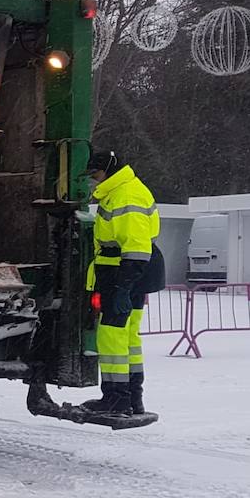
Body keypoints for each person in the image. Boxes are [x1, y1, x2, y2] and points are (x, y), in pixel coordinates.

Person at [83, 150, 164, 416]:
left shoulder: (125, 195)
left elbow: (136, 248)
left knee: (112, 338)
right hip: (130, 276)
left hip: (122, 275)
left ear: (108, 170)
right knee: (128, 339)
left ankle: (116, 399)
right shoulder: (125, 190)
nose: (93, 180)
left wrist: (122, 287)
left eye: (95, 174)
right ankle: (131, 398)